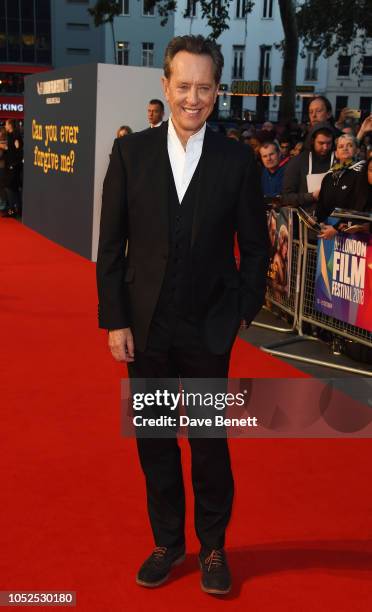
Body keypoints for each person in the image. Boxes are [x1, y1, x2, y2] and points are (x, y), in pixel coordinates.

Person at [96, 34, 269, 596]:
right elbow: (112, 246)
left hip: (207, 331)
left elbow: (255, 246)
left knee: (208, 443)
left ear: (218, 91)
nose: (193, 97)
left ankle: (214, 546)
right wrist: (115, 321)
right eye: (183, 85)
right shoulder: (130, 154)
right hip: (145, 330)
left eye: (204, 87)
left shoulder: (237, 161)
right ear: (165, 85)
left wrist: (242, 309)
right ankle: (168, 542)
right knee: (155, 440)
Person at [315, 134, 367, 239]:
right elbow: (321, 205)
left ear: (357, 151)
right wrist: (320, 222)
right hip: (327, 231)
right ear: (336, 153)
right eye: (341, 146)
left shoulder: (362, 174)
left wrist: (336, 228)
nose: (345, 148)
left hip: (352, 235)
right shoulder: (329, 176)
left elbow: (359, 207)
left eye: (350, 145)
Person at [282, 123, 335, 209]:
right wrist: (311, 196)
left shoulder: (338, 160)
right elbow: (286, 197)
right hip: (306, 215)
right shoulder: (297, 162)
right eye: (321, 143)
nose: (325, 147)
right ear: (312, 141)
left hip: (333, 216)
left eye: (328, 143)